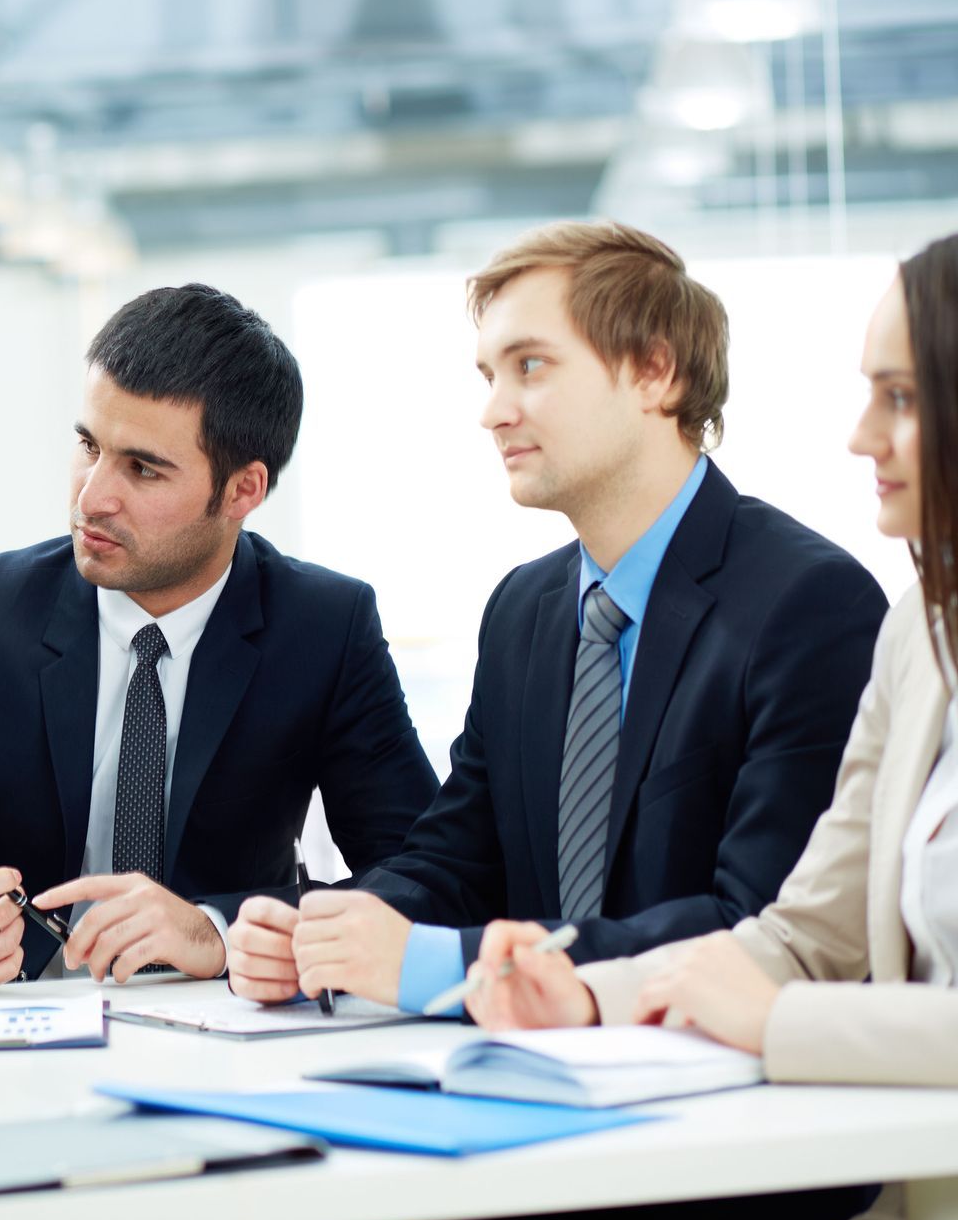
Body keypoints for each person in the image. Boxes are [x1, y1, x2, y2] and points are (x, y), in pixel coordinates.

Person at [227, 222, 889, 1023]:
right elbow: (456, 856)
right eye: (488, 374)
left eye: (530, 366)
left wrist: (447, 963)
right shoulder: (523, 611)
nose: (493, 411)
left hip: (717, 1090)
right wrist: (325, 931)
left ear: (654, 372)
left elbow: (757, 925)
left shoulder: (810, 604)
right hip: (530, 1074)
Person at [462, 232, 958, 1220]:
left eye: (902, 399)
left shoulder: (813, 598)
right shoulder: (923, 627)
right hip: (907, 1193)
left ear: (655, 372)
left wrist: (775, 1021)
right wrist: (586, 992)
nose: (861, 437)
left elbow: (778, 969)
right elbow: (800, 931)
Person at [0, 282, 440, 992]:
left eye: (142, 468)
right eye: (88, 446)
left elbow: (423, 874)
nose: (91, 498)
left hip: (220, 1037)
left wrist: (216, 929)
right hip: (3, 1027)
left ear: (242, 491)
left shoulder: (324, 626)